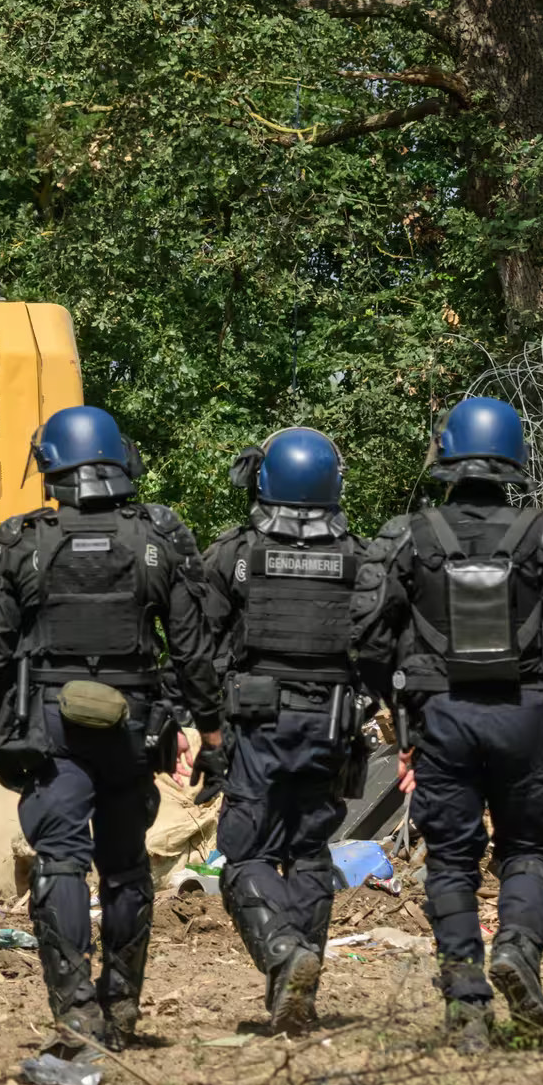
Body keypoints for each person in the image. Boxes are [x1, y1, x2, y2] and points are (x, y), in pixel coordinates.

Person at [367, 396, 543, 1051]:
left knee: (450, 858)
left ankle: (466, 1003)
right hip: (524, 715)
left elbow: (365, 637)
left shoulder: (406, 536)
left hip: (441, 719)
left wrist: (399, 703)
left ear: (448, 454)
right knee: (528, 850)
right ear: (517, 458)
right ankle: (517, 952)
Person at [0, 405, 222, 1052]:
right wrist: (214, 731)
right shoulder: (158, 535)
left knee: (59, 862)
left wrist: (6, 733)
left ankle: (76, 1012)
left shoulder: (19, 541)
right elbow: (195, 649)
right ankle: (122, 1006)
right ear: (118, 459)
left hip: (52, 726)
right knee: (126, 866)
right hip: (134, 726)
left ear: (51, 465)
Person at [199, 427, 390, 1034]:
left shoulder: (232, 555)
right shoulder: (362, 560)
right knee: (309, 853)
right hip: (332, 726)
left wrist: (200, 726)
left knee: (245, 853)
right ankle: (299, 987)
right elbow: (383, 649)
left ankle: (283, 952)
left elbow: (197, 645)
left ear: (264, 479)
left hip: (255, 726)